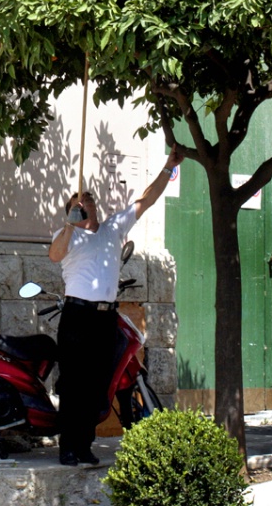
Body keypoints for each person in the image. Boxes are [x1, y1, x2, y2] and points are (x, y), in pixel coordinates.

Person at [48, 145, 184, 467]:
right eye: (77, 203)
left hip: (105, 318)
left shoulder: (112, 229)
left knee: (98, 386)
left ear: (95, 205)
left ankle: (84, 445)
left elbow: (145, 200)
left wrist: (168, 166)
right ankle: (68, 447)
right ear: (71, 210)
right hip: (77, 315)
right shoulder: (67, 235)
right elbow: (54, 255)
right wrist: (69, 224)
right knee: (73, 385)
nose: (85, 204)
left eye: (89, 200)